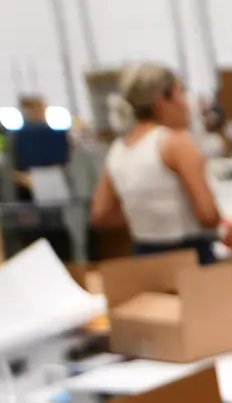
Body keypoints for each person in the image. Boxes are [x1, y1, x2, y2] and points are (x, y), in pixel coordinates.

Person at [91, 63, 222, 262]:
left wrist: (145, 219)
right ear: (162, 99)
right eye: (181, 94)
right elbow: (208, 215)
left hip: (143, 253)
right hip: (189, 255)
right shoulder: (177, 144)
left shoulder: (118, 150)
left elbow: (101, 215)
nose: (186, 104)